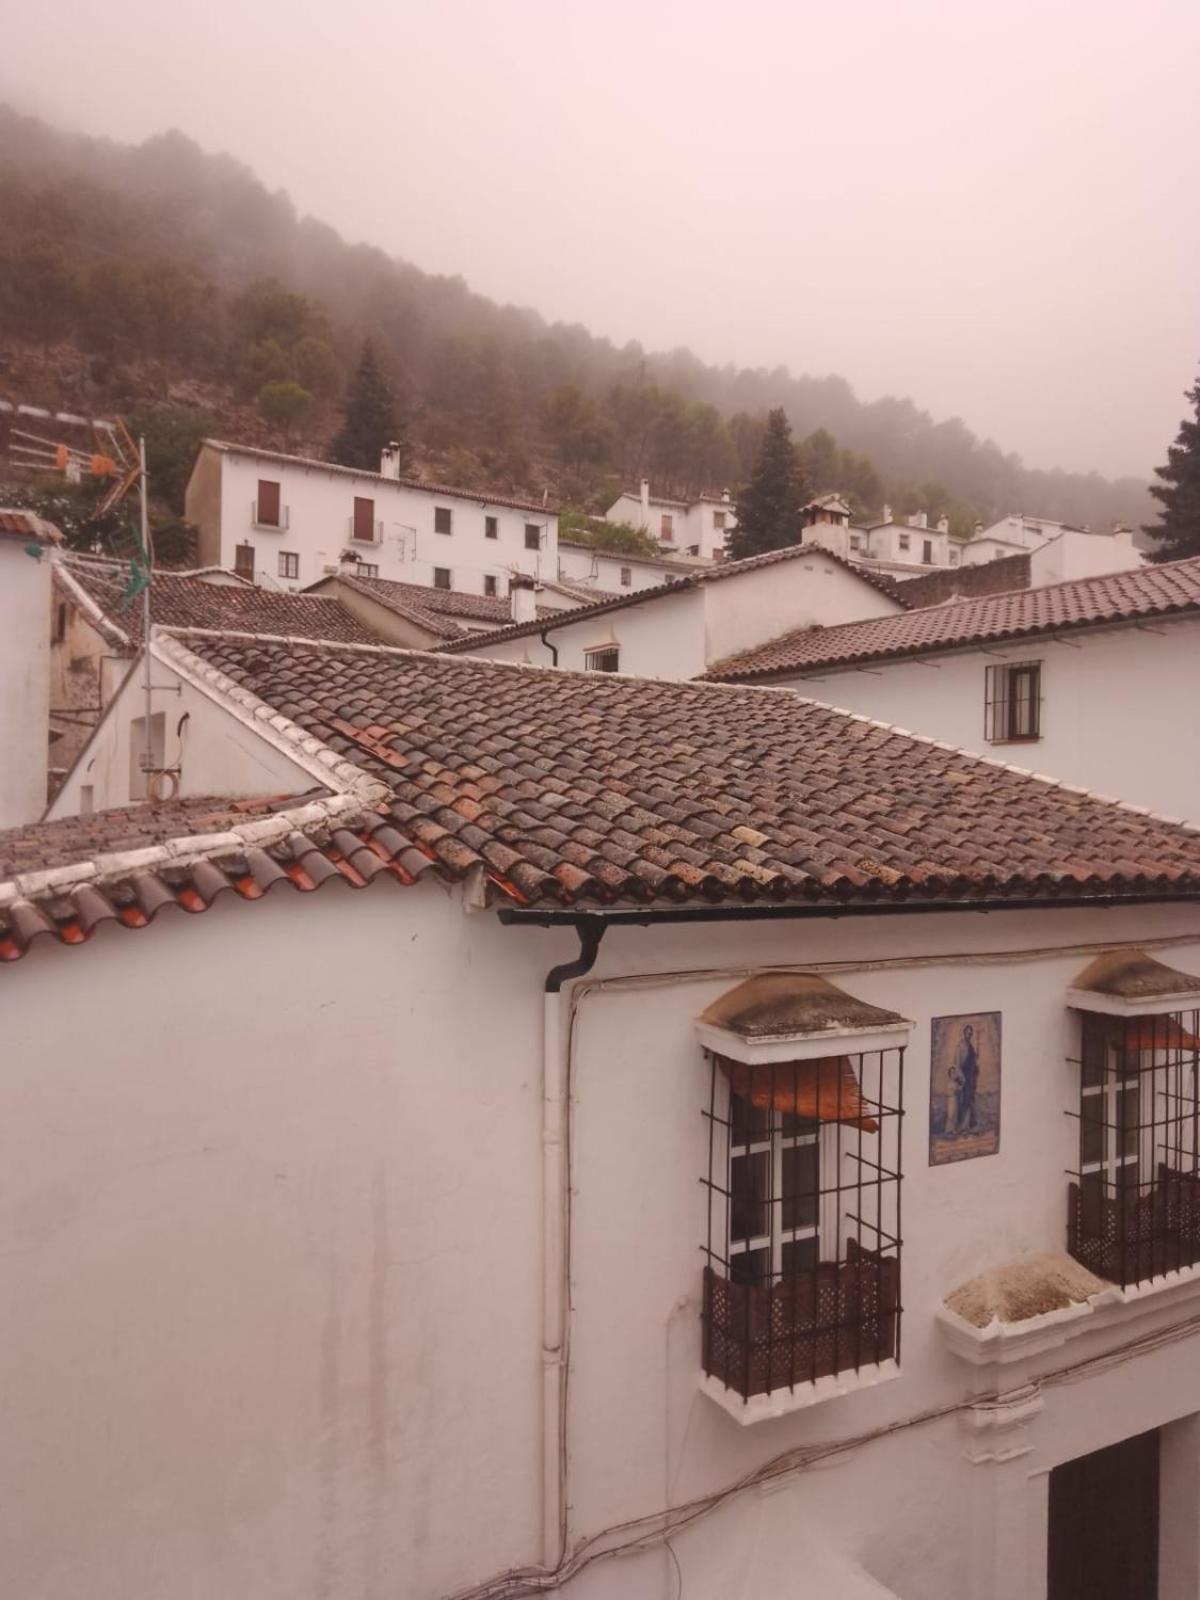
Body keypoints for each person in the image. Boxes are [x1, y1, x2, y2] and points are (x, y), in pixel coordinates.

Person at [952, 1024, 980, 1135]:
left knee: (970, 1101)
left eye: (970, 1033)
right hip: (963, 1077)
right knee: (963, 1101)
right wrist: (961, 1078)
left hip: (971, 1078)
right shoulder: (960, 1046)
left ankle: (968, 1126)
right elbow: (957, 1063)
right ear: (964, 1033)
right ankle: (961, 1127)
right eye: (967, 1033)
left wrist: (976, 1066)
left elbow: (973, 1062)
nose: (969, 1035)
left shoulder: (971, 1046)